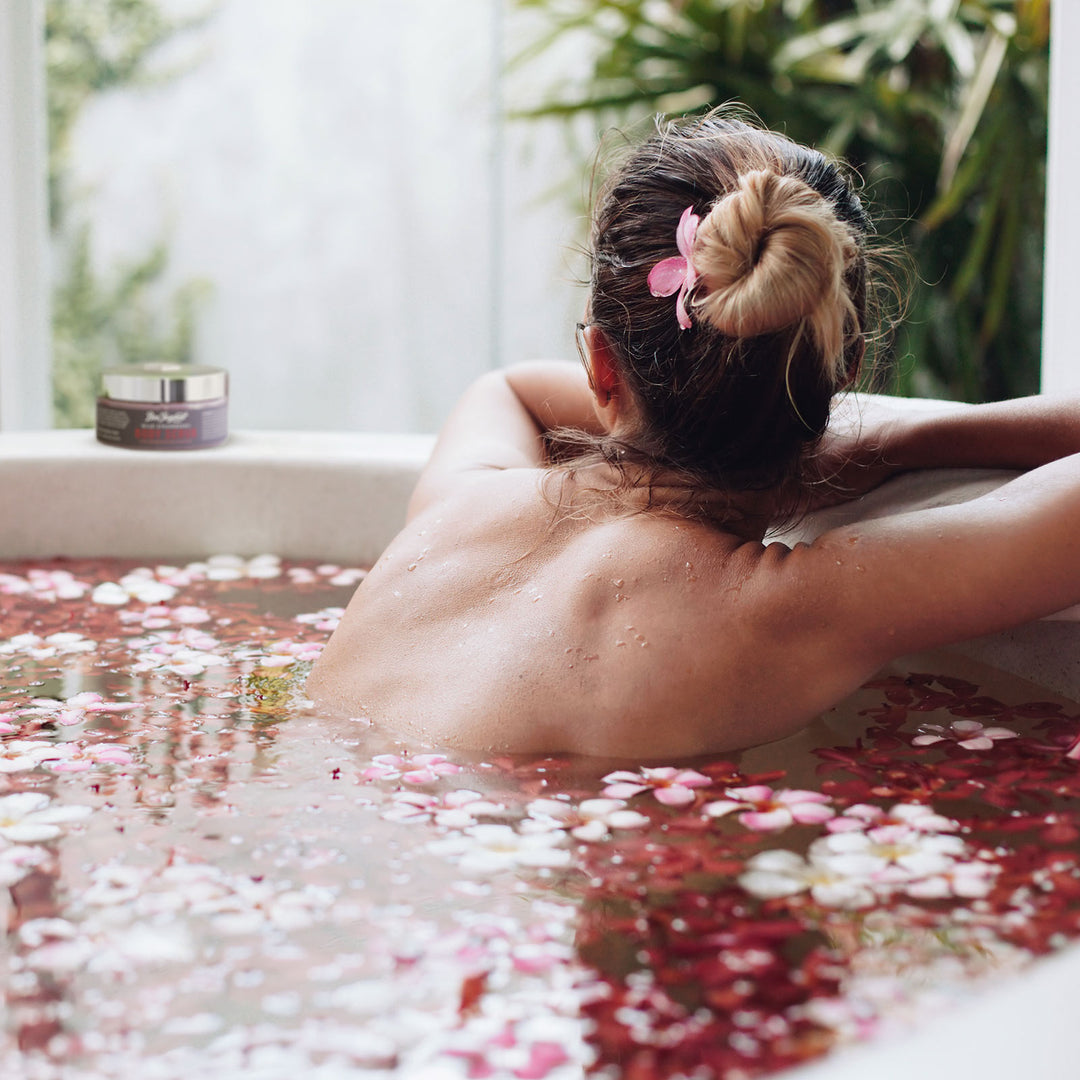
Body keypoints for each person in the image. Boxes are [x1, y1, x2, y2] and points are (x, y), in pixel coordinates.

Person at [308, 112, 1080, 758]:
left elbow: (507, 385)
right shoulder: (789, 608)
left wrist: (857, 439)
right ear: (842, 366)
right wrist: (886, 444)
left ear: (602, 369)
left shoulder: (458, 508)